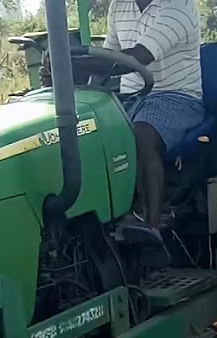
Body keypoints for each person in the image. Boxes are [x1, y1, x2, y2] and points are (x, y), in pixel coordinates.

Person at [42, 0, 204, 236]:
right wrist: (69, 78)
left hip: (175, 96)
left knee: (142, 134)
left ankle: (151, 225)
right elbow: (108, 59)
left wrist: (68, 64)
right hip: (130, 96)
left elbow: (139, 56)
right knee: (88, 133)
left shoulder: (179, 6)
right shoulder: (119, 6)